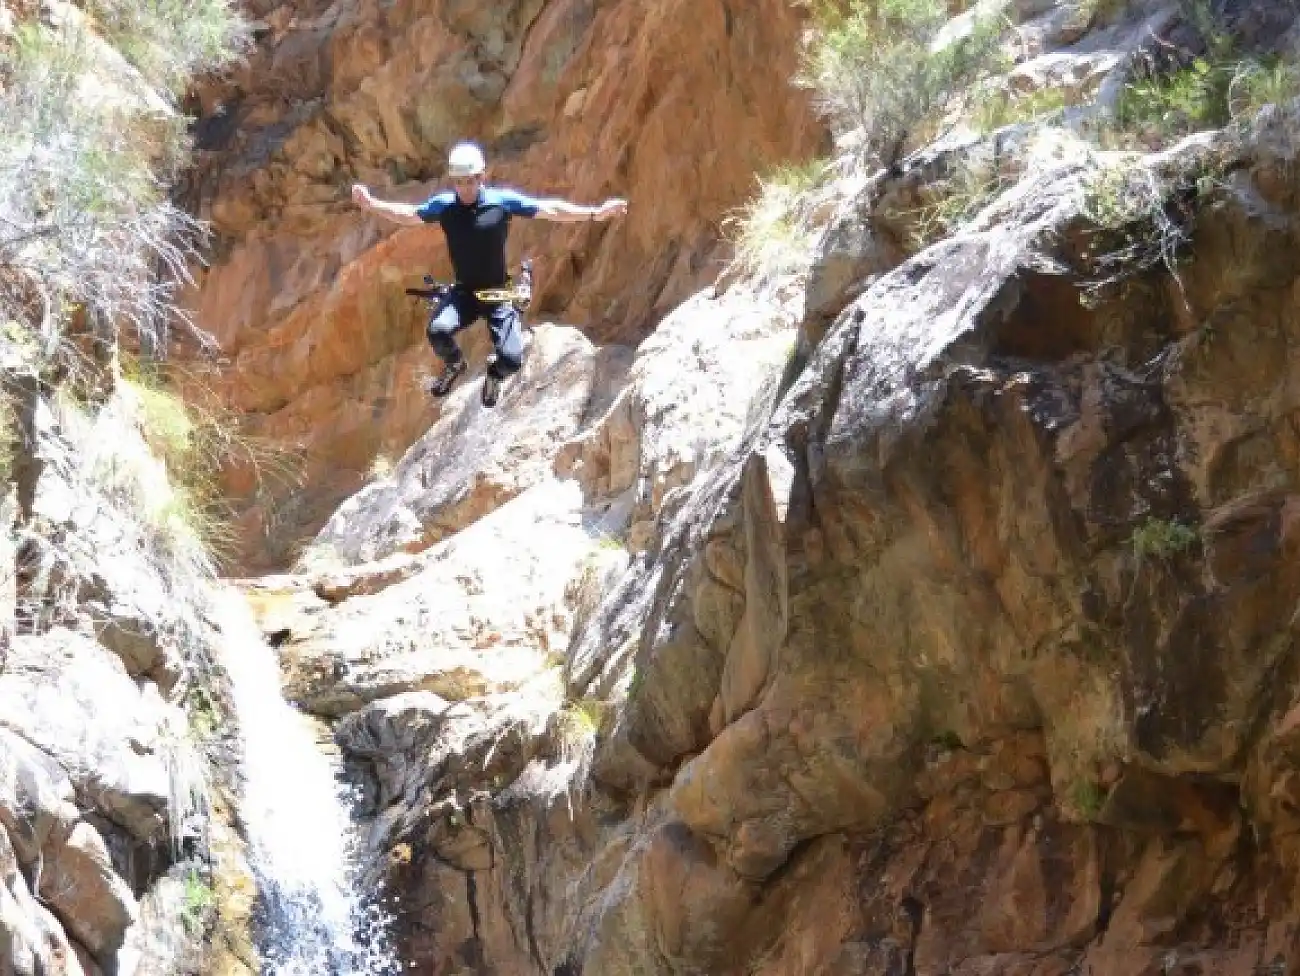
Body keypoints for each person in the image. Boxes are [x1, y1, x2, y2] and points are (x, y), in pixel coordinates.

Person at [351, 141, 628, 407]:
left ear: (482, 176)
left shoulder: (500, 203)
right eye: (459, 182)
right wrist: (372, 204)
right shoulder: (446, 206)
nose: (465, 188)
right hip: (464, 294)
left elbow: (549, 209)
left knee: (511, 359)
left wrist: (594, 213)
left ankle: (494, 377)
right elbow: (410, 215)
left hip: (497, 293)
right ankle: (455, 365)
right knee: (437, 331)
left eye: (470, 181)